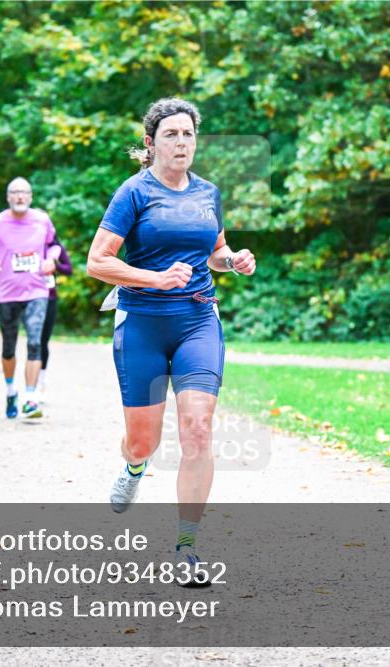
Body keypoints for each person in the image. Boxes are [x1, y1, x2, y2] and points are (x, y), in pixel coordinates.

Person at [86, 97, 256, 585]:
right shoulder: (133, 194)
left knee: (198, 430)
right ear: (151, 143)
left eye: (188, 134)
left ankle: (186, 546)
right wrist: (153, 279)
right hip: (141, 322)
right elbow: (98, 262)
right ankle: (134, 466)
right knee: (144, 439)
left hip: (198, 320)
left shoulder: (209, 194)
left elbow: (216, 253)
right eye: (171, 135)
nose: (181, 143)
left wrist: (233, 260)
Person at [0, 177, 60, 419]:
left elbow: (53, 245)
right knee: (8, 347)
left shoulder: (42, 220)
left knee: (35, 342)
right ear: (8, 197)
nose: (20, 197)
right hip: (6, 293)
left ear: (31, 197)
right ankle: (11, 390)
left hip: (37, 291)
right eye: (15, 192)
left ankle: (31, 397)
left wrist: (51, 259)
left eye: (24, 192)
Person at [38, 235, 73, 403]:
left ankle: (41, 383)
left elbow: (69, 269)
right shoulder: (25, 242)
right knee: (33, 342)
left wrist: (55, 264)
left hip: (49, 298)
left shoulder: (56, 248)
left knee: (43, 341)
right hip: (29, 299)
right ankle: (30, 385)